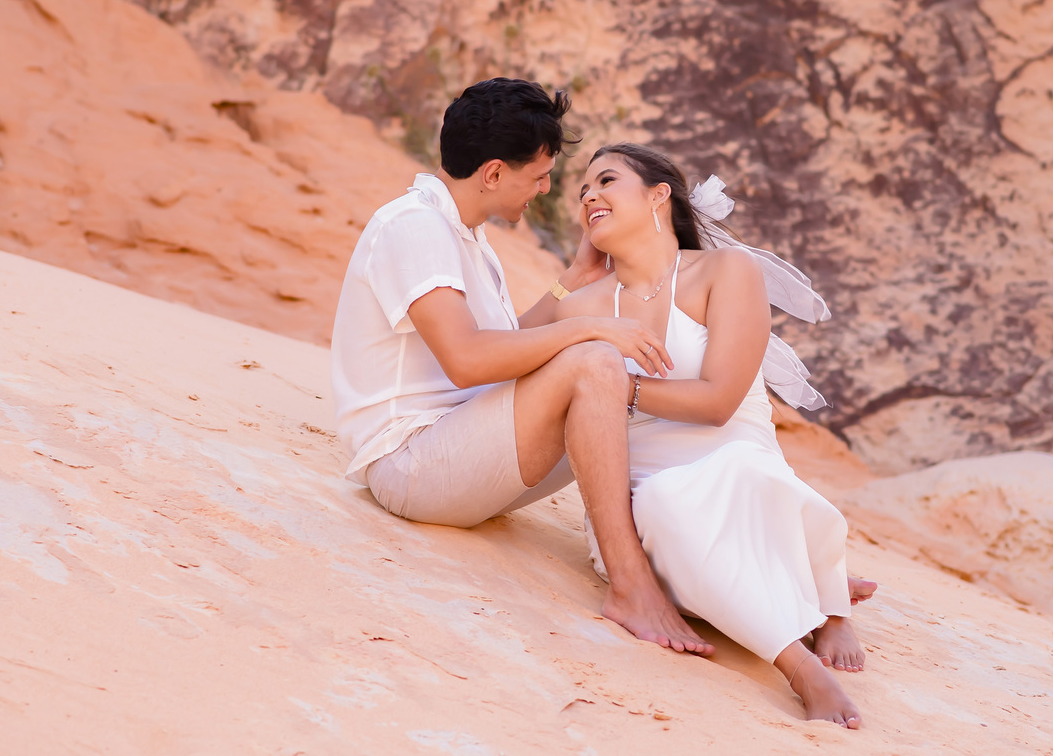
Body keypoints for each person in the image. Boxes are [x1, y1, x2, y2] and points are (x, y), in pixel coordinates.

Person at [330, 79, 714, 655]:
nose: (548, 188)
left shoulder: (466, 237)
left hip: (465, 443)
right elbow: (467, 361)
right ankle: (632, 586)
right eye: (538, 175)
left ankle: (729, 565)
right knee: (597, 365)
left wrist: (574, 283)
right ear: (492, 174)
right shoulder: (413, 226)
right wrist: (588, 326)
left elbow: (506, 350)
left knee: (639, 396)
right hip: (412, 464)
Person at [552, 142, 875, 728]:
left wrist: (615, 387)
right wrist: (571, 277)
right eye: (582, 192)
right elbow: (499, 345)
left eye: (605, 182)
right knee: (665, 503)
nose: (589, 196)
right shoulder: (585, 303)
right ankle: (801, 656)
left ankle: (824, 612)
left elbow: (720, 401)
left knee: (739, 484)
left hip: (733, 459)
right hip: (646, 495)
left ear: (658, 196)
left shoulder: (726, 272)